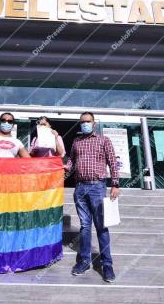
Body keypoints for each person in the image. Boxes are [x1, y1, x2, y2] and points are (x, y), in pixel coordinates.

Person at [65, 111, 120, 283]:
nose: (85, 124)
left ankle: (107, 265)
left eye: (88, 121)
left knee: (101, 227)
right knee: (84, 227)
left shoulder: (104, 140)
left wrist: (115, 184)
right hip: (80, 188)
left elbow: (112, 161)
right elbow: (71, 162)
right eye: (82, 122)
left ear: (94, 123)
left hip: (97, 186)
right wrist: (62, 169)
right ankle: (84, 261)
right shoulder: (76, 142)